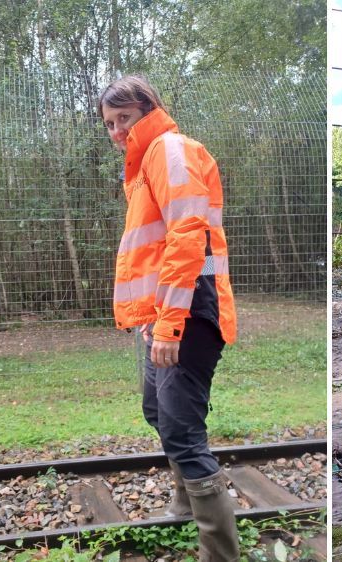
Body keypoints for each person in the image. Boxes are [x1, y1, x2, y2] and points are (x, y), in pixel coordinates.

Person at [98, 75, 239, 562]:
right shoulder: (144, 165)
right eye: (109, 123)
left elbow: (186, 237)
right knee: (158, 411)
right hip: (170, 310)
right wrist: (154, 317)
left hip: (191, 310)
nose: (117, 130)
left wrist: (171, 324)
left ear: (147, 109)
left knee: (181, 429)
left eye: (124, 118)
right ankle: (184, 508)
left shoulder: (168, 149)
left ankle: (218, 554)